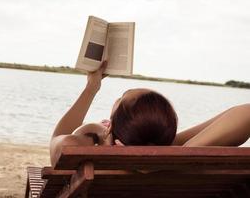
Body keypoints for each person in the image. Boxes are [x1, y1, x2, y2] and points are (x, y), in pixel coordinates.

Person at [50, 61, 250, 163]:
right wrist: (176, 156)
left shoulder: (92, 145)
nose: (118, 98)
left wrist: (91, 89)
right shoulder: (169, 148)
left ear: (114, 123)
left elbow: (60, 142)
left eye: (121, 98)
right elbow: (246, 114)